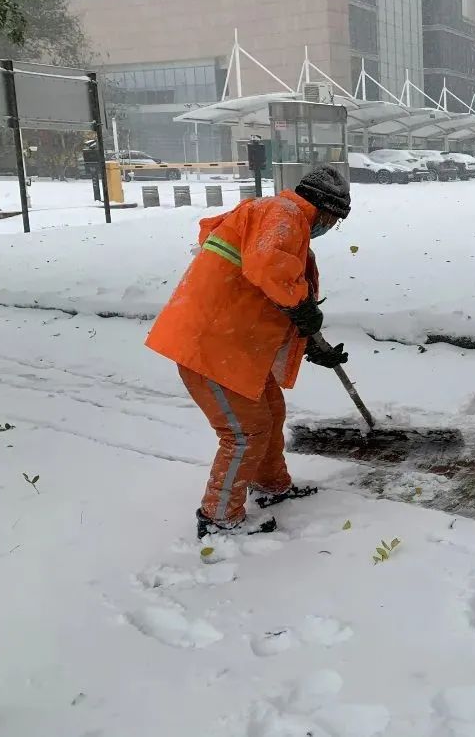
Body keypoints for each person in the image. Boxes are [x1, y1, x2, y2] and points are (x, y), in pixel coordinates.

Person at [146, 164, 353, 538]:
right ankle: (218, 517)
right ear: (324, 210)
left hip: (232, 347)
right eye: (334, 220)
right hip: (208, 347)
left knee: (271, 413)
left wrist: (310, 343)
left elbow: (276, 294)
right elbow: (272, 274)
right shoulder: (284, 215)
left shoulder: (280, 225)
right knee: (245, 432)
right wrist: (303, 308)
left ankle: (272, 485)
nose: (331, 228)